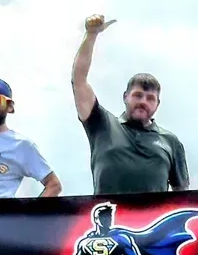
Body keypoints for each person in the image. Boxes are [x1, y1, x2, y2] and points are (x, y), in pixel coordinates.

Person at [71, 15, 190, 195]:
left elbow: (183, 196)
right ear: (125, 97)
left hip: (154, 224)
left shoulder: (171, 142)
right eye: (138, 95)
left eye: (150, 98)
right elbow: (79, 80)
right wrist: (91, 35)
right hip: (107, 221)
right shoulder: (101, 124)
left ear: (158, 105)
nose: (143, 102)